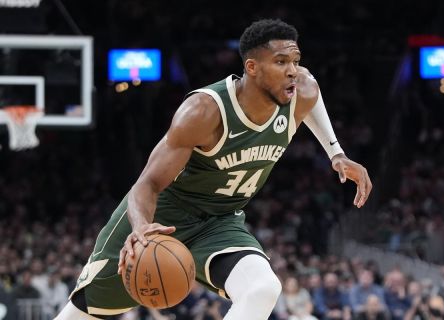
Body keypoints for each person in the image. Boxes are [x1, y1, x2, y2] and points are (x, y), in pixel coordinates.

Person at [55, 18, 372, 320]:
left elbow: (312, 95)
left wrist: (336, 153)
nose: (293, 71)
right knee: (81, 312)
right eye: (281, 62)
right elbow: (147, 184)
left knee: (263, 288)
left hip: (219, 221)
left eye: (295, 61)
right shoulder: (204, 112)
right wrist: (139, 230)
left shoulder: (301, 88)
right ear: (252, 67)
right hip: (161, 218)